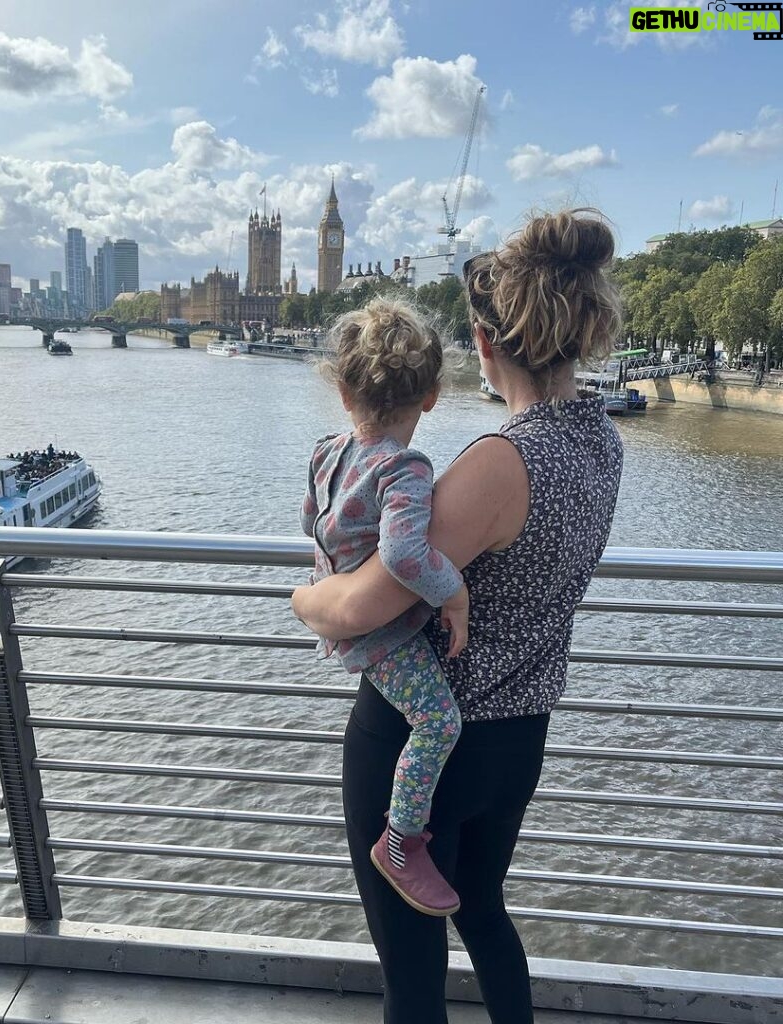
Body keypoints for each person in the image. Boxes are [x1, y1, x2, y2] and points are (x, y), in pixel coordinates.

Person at [292, 208, 625, 1024]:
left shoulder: (497, 462)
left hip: (424, 744)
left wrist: (301, 597)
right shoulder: (601, 442)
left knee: (411, 972)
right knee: (483, 913)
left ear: (482, 345)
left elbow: (361, 604)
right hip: (519, 739)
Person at [300, 297, 471, 916]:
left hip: (341, 618)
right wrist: (452, 591)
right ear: (430, 396)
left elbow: (311, 525)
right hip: (384, 637)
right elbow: (402, 554)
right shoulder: (404, 468)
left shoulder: (326, 452)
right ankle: (401, 841)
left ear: (344, 391)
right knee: (439, 722)